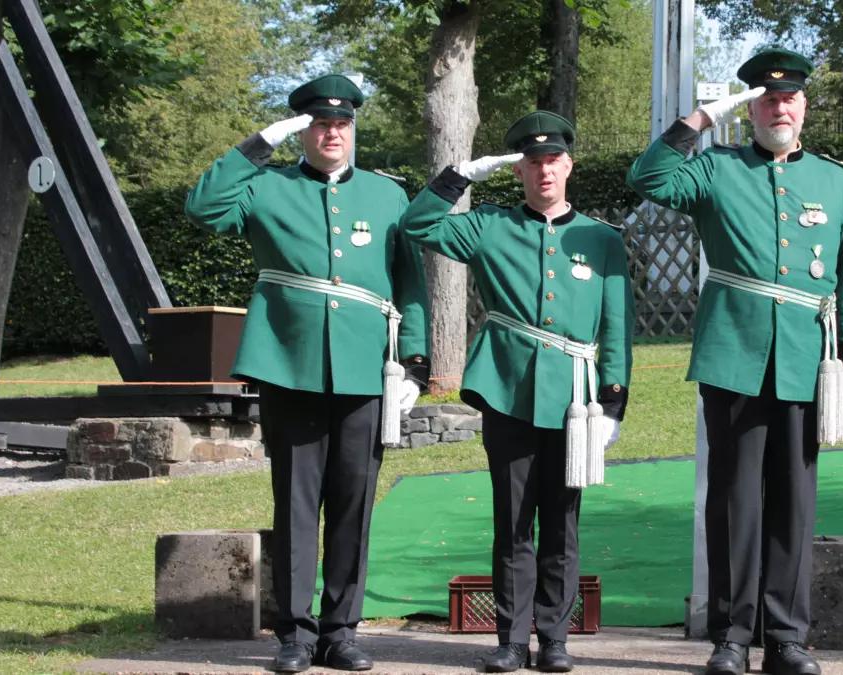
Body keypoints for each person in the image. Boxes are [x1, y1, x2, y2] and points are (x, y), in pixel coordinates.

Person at [626, 47, 843, 675]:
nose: (778, 107)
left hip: (803, 359)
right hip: (733, 353)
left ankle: (787, 637)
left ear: (804, 107)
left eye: (788, 98)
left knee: (794, 501)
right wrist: (701, 119)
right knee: (735, 501)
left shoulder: (834, 180)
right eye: (765, 99)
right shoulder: (716, 170)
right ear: (751, 109)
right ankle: (732, 636)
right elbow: (648, 178)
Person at [185, 74, 430, 673]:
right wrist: (258, 144)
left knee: (354, 501)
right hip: (289, 363)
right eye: (320, 125)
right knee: (296, 503)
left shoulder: (387, 195)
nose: (332, 134)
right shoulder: (267, 187)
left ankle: (341, 631)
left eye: (342, 125)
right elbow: (203, 208)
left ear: (353, 130)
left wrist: (415, 365)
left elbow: (410, 284)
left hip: (365, 367)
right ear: (304, 131)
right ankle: (293, 635)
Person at [401, 111, 633, 673]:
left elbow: (618, 327)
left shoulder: (600, 240)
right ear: (519, 172)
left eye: (552, 160)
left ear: (568, 165)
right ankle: (510, 639)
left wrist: (614, 402)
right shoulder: (489, 225)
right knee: (512, 520)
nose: (543, 170)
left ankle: (554, 637)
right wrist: (460, 176)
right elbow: (416, 226)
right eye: (532, 163)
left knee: (562, 522)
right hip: (508, 389)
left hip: (575, 401)